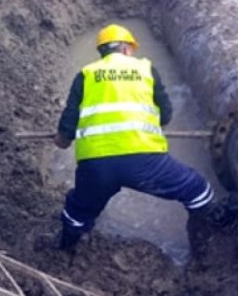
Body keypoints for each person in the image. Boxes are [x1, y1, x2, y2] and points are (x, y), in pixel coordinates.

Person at [52, 23, 227, 251]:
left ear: (102, 51)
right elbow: (165, 114)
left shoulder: (86, 74)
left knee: (78, 211)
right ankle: (207, 242)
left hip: (95, 163)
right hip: (144, 161)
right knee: (198, 190)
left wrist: (62, 140)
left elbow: (69, 122)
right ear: (126, 48)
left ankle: (66, 249)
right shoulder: (145, 69)